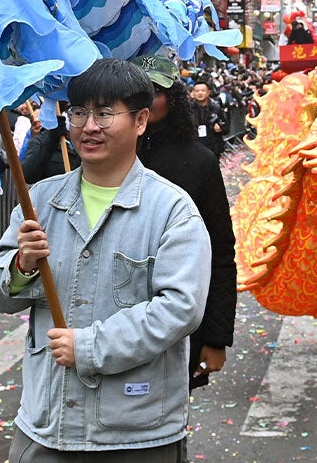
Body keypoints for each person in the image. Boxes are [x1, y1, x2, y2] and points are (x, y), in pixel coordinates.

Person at [0, 58, 211, 461]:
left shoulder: (172, 209)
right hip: (46, 426)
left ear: (140, 120)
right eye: (79, 112)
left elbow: (180, 308)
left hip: (136, 434)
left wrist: (89, 347)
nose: (89, 126)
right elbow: (0, 295)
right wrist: (21, 266)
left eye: (105, 113)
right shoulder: (39, 200)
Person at [130, 54, 235, 391]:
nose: (144, 103)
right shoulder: (109, 157)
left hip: (179, 322)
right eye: (136, 93)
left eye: (154, 92)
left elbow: (220, 251)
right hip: (117, 320)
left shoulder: (200, 162)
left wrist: (216, 338)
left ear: (172, 99)